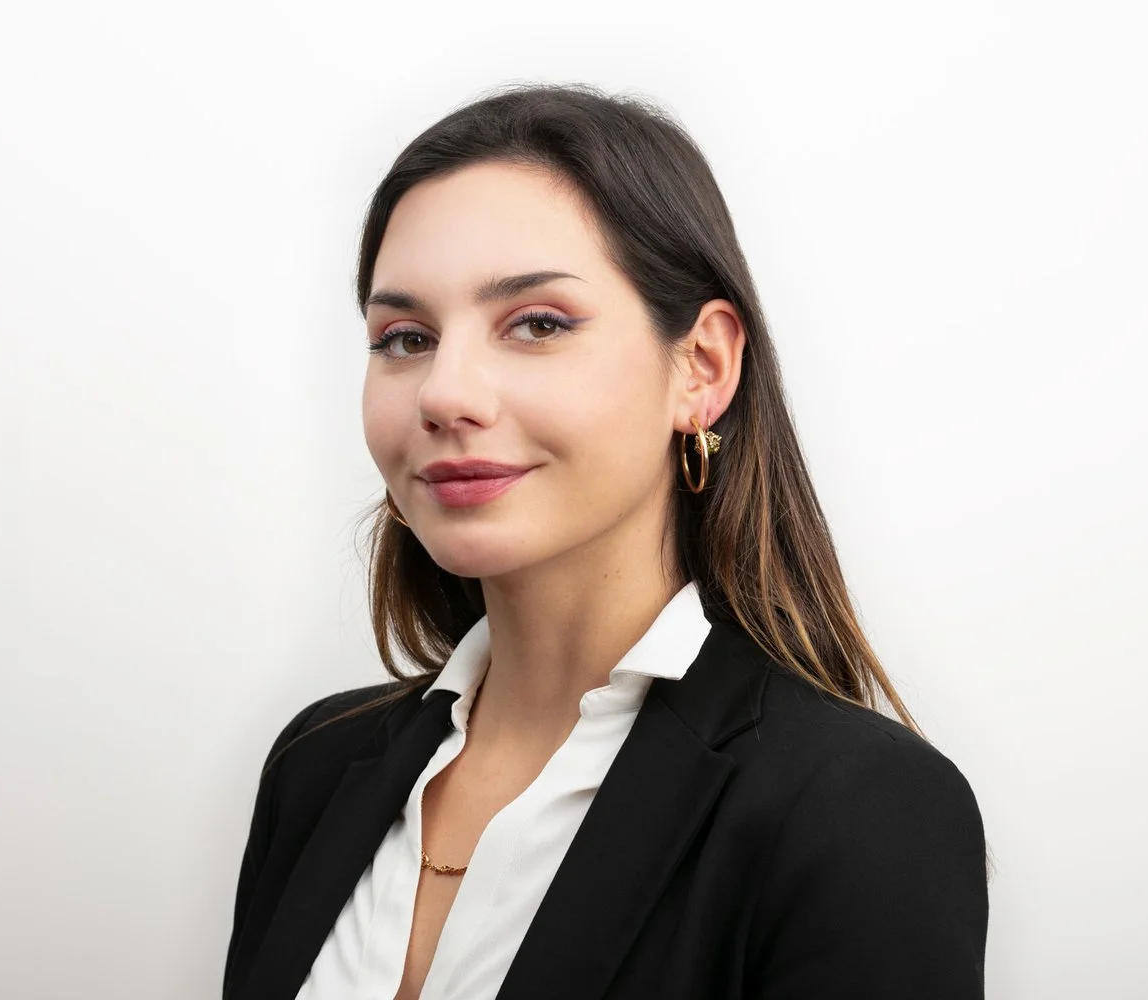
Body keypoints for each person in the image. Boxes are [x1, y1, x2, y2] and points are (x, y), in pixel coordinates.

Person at [223, 83, 988, 1000]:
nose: (443, 393)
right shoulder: (314, 767)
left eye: (538, 324)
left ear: (701, 367)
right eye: (405, 337)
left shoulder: (857, 810)